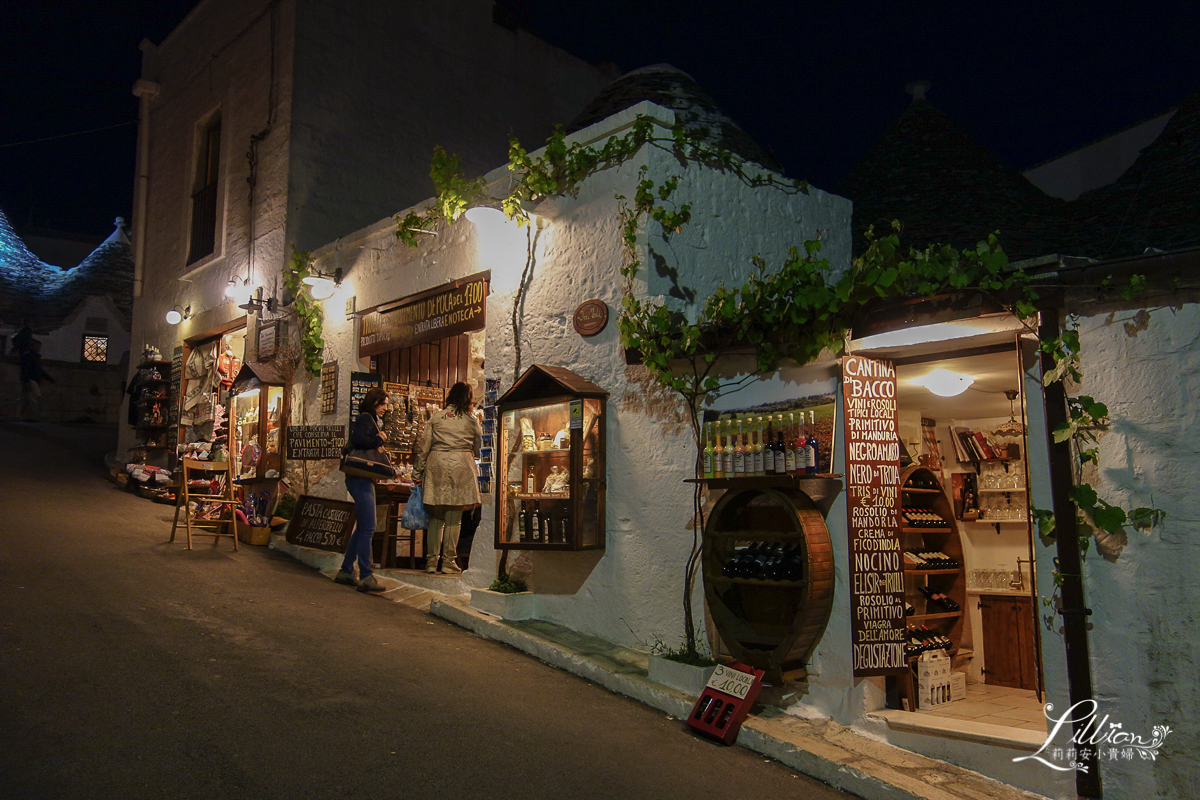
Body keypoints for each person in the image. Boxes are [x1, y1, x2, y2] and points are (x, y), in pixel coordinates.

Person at [413, 381, 482, 574]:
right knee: (454, 517)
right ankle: (448, 561)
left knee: (436, 516)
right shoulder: (470, 420)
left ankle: (430, 561)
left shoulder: (436, 417)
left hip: (436, 465)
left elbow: (424, 446)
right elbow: (478, 446)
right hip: (461, 465)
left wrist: (417, 472)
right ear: (468, 399)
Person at [334, 387, 390, 593]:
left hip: (358, 479)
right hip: (360, 478)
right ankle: (366, 576)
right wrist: (380, 439)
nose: (386, 408)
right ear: (375, 402)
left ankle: (346, 570)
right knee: (369, 527)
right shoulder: (367, 419)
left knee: (363, 527)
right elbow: (359, 441)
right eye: (383, 403)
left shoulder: (368, 418)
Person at [18, 340, 55, 422]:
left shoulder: (34, 357)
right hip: (31, 379)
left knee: (24, 398)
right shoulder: (29, 356)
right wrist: (26, 380)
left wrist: (49, 379)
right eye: (37, 346)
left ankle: (19, 415)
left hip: (32, 379)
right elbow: (26, 369)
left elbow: (40, 370)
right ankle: (40, 415)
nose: (38, 348)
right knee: (36, 398)